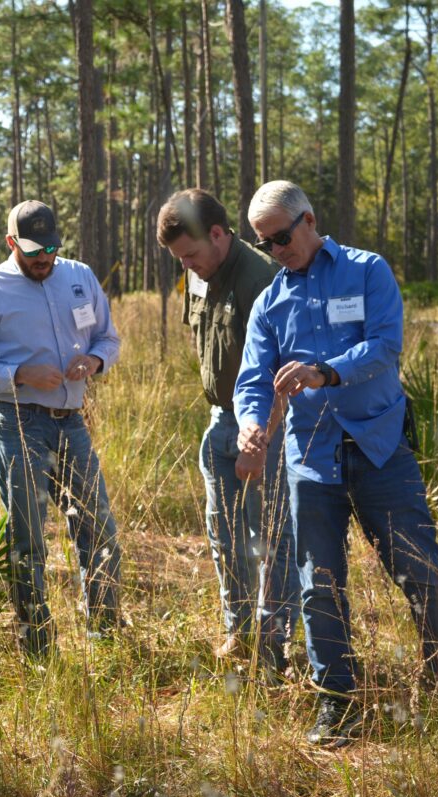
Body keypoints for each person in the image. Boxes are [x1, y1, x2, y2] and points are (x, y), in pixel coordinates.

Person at [234, 180, 438, 747]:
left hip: (378, 449)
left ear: (309, 220)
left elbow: (386, 345)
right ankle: (337, 701)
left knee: (419, 569)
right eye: (264, 244)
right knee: (318, 585)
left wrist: (324, 371)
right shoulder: (270, 300)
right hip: (311, 463)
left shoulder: (367, 271)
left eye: (282, 238)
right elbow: (252, 379)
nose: (275, 251)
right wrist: (250, 424)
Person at [0, 200, 122, 657]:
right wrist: (19, 374)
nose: (43, 257)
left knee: (98, 529)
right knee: (28, 538)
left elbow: (108, 337)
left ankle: (105, 638)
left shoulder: (79, 277)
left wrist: (94, 360)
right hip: (18, 423)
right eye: (33, 250)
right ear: (11, 244)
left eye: (50, 247)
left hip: (72, 424)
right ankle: (37, 647)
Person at [155, 189, 300, 674]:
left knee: (270, 537)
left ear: (217, 234)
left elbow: (283, 376)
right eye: (180, 258)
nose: (188, 265)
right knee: (225, 533)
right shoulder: (198, 275)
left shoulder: (263, 279)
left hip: (266, 425)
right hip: (219, 420)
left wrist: (259, 440)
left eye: (192, 254)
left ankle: (274, 645)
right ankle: (238, 632)